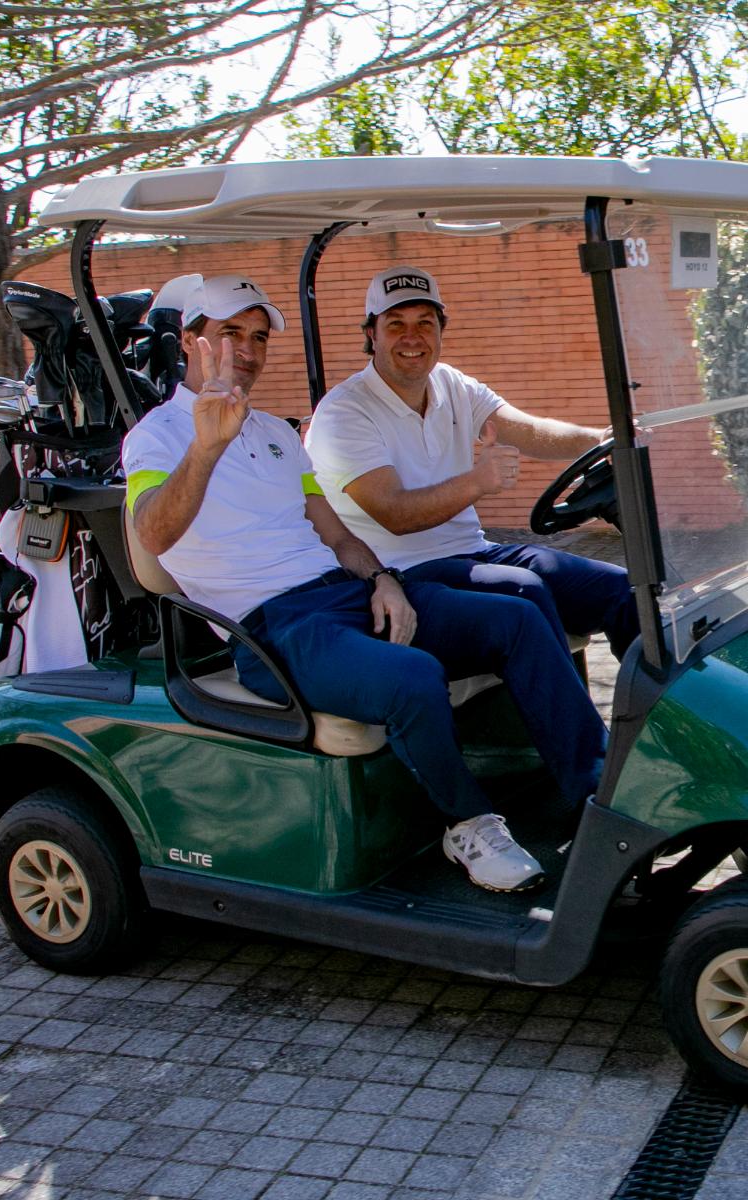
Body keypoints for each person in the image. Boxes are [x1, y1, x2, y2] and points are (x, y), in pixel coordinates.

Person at [122, 273, 605, 892]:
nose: (247, 349)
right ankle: (469, 824)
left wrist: (382, 579)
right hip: (272, 628)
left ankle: (596, 790)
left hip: (343, 593)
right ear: (191, 342)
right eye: (230, 333)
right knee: (414, 677)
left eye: (259, 337)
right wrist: (206, 447)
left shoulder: (274, 433)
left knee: (516, 617)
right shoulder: (156, 436)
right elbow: (154, 534)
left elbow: (336, 534)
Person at [305, 265, 639, 661]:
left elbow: (527, 429)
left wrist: (600, 438)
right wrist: (478, 481)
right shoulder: (346, 411)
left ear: (440, 331)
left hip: (472, 551)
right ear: (371, 334)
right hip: (402, 573)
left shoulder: (451, 383)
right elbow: (395, 514)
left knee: (623, 589)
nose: (412, 337)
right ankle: (562, 703)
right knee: (525, 591)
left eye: (425, 323)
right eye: (395, 324)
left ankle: (658, 697)